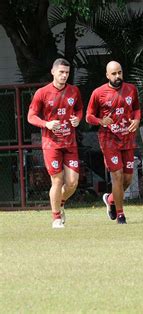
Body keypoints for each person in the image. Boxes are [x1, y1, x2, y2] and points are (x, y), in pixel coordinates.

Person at [27, 58, 83, 228]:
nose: (64, 75)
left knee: (72, 183)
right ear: (53, 72)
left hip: (70, 142)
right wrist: (47, 124)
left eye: (67, 73)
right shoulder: (42, 93)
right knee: (57, 180)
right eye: (61, 72)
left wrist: (77, 120)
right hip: (51, 143)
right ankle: (56, 217)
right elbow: (31, 116)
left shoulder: (74, 91)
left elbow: (79, 109)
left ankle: (60, 201)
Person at [86, 61, 141, 224]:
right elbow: (88, 116)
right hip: (109, 139)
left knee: (128, 179)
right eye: (114, 74)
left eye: (120, 72)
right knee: (117, 176)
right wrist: (101, 121)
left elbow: (137, 108)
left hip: (127, 137)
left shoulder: (131, 89)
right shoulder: (98, 93)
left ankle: (110, 200)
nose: (118, 76)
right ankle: (120, 214)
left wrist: (137, 120)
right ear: (107, 75)